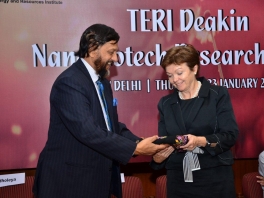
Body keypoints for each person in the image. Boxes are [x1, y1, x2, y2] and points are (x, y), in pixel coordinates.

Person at [33, 24, 167, 198]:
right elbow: (88, 131)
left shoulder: (103, 82)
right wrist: (136, 149)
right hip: (68, 184)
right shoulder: (70, 82)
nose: (116, 58)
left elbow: (111, 125)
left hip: (94, 181)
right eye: (111, 52)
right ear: (92, 48)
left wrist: (138, 141)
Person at [150, 44, 239, 198]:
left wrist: (199, 141)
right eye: (169, 75)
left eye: (179, 73)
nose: (174, 80)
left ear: (194, 69)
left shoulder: (217, 94)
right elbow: (164, 141)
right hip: (179, 179)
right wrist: (158, 156)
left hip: (215, 177)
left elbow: (230, 135)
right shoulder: (165, 103)